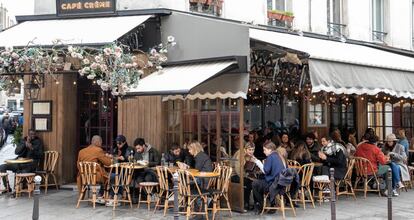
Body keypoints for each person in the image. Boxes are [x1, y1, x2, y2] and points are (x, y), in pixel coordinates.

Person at [252, 142, 285, 213]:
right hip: (283, 184)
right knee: (260, 182)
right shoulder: (280, 156)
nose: (263, 152)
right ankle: (271, 204)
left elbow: (265, 171)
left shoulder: (270, 157)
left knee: (255, 183)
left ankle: (262, 205)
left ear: (270, 150)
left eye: (265, 150)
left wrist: (257, 161)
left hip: (274, 184)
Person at [76, 135, 112, 202]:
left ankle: (100, 195)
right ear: (98, 142)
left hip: (83, 177)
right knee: (113, 177)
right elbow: (108, 163)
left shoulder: (81, 151)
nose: (101, 144)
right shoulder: (98, 150)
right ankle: (108, 197)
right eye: (101, 142)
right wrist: (108, 157)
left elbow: (78, 165)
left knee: (107, 176)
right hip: (95, 176)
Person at [231, 142, 264, 210]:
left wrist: (257, 166)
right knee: (247, 182)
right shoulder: (240, 154)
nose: (251, 151)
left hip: (244, 175)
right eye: (250, 149)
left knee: (255, 182)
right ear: (245, 149)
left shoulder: (250, 155)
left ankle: (256, 204)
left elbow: (251, 167)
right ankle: (245, 203)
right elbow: (238, 170)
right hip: (234, 175)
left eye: (253, 150)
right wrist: (247, 176)